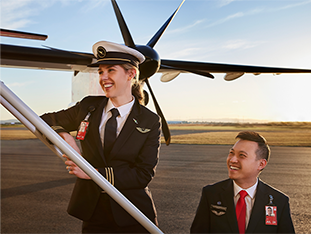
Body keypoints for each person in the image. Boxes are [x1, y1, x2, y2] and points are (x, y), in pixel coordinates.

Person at [41, 41, 161, 233]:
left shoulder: (150, 121)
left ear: (131, 74)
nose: (103, 78)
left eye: (110, 70)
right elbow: (45, 120)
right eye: (100, 72)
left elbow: (143, 174)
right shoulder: (88, 106)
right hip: (94, 214)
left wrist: (94, 174)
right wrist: (64, 136)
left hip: (132, 213)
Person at [190, 131, 295, 233]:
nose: (232, 160)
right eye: (231, 153)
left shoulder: (279, 201)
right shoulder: (211, 194)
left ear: (261, 164)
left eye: (242, 155)